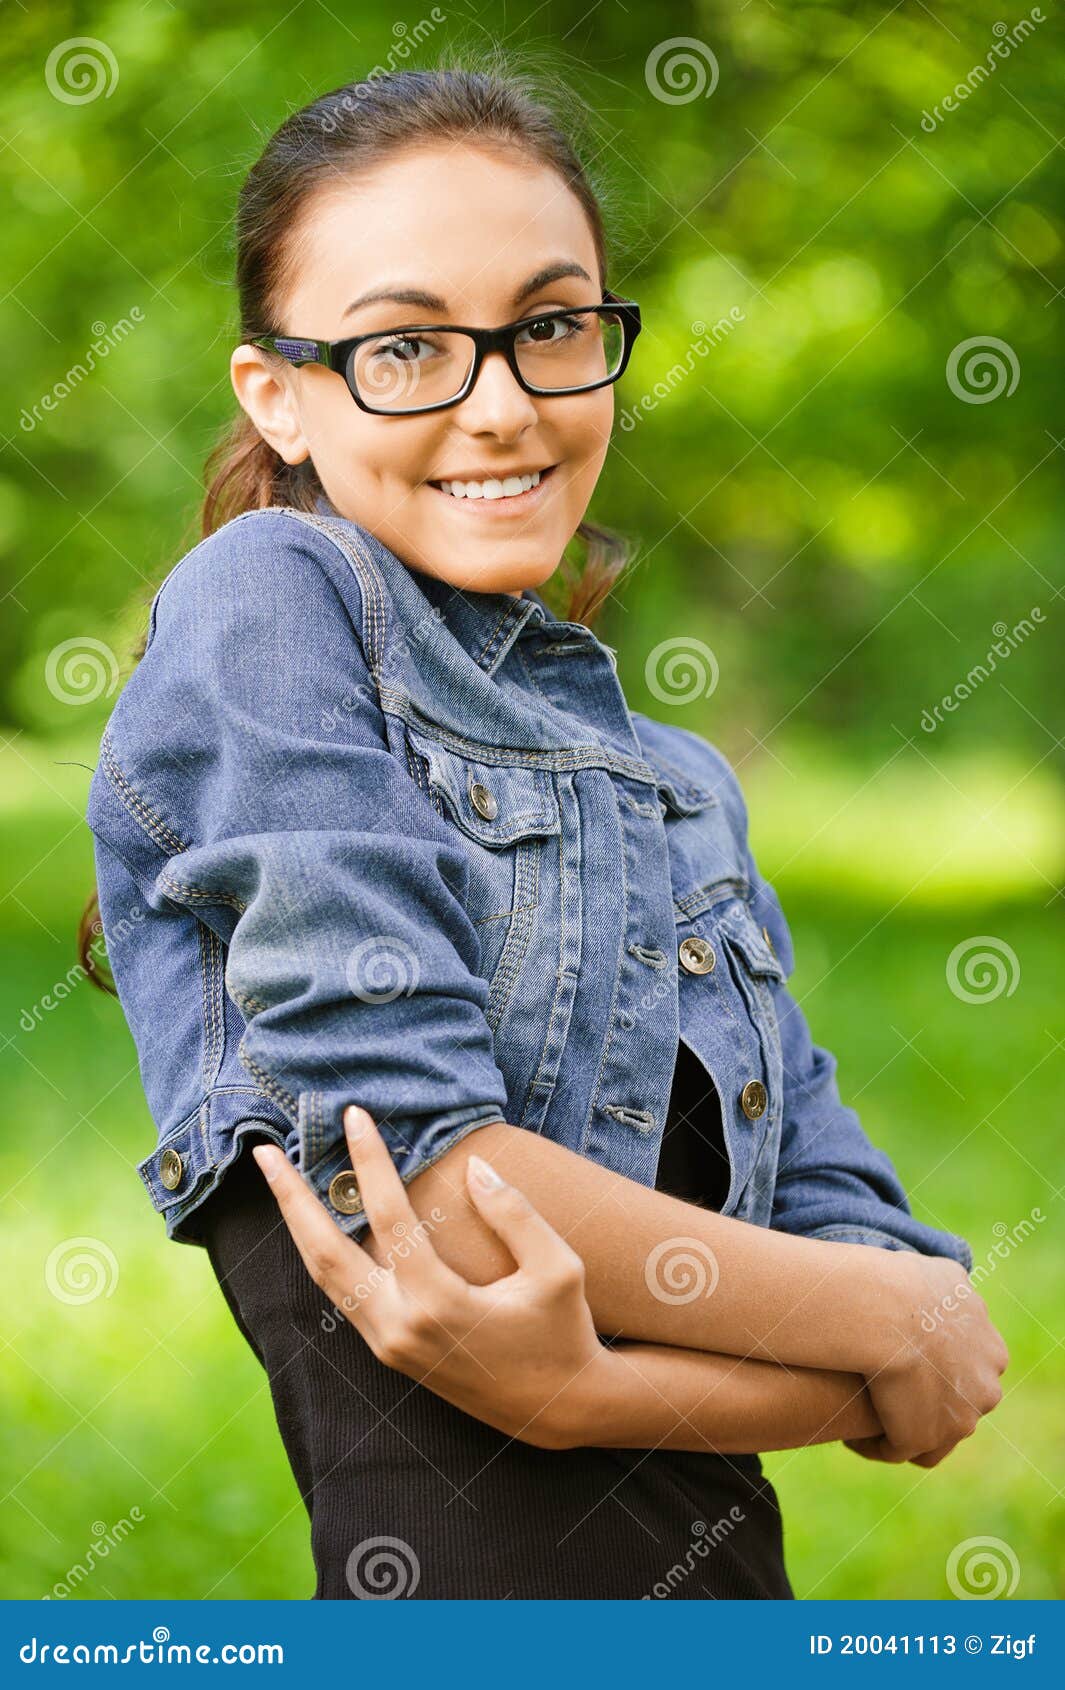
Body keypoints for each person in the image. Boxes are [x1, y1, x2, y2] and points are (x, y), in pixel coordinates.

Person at [81, 65, 1008, 1601]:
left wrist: (586, 1387)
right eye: (405, 347)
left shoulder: (677, 781)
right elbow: (433, 1180)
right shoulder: (270, 603)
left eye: (550, 325)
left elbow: (913, 1336)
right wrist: (855, 1328)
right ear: (279, 394)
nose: (500, 401)